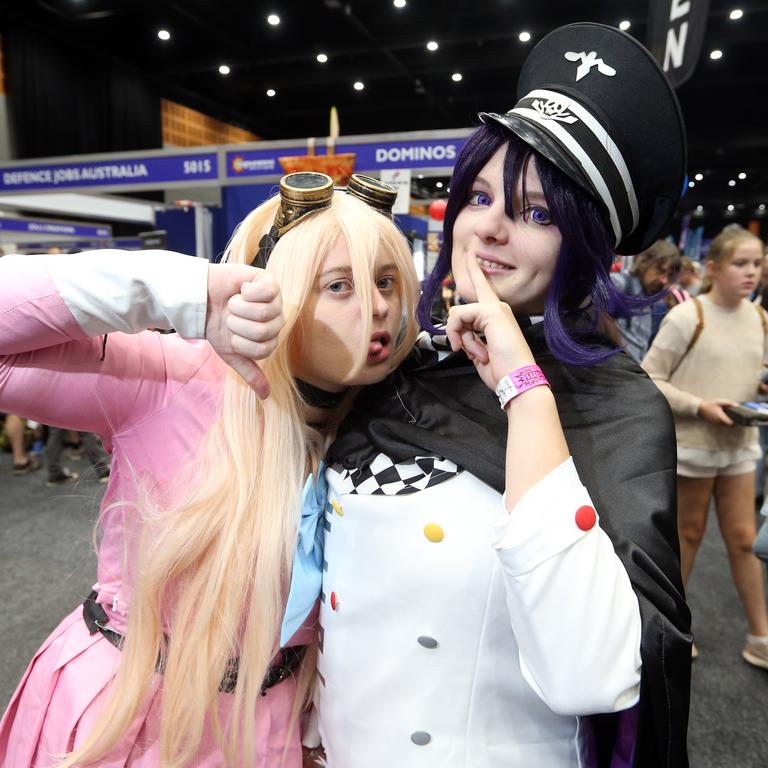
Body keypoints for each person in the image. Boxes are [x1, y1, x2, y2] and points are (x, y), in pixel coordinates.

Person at [318, 23, 690, 768]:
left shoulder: (616, 409)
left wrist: (524, 390)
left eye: (536, 212)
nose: (486, 228)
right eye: (479, 196)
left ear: (582, 246)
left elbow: (592, 672)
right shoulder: (405, 363)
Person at [0, 174, 419, 767]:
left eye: (385, 282)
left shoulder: (395, 420)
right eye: (339, 286)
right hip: (129, 720)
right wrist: (177, 291)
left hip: (277, 727)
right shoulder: (170, 378)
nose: (379, 308)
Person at [642, 226, 768, 669]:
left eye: (756, 263)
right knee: (687, 538)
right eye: (740, 263)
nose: (751, 272)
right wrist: (699, 406)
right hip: (693, 446)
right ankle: (673, 628)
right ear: (713, 267)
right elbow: (650, 377)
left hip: (739, 444)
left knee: (744, 540)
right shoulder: (687, 316)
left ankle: (761, 635)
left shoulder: (761, 318)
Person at [612, 239, 682, 361]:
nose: (664, 280)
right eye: (660, 270)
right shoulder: (620, 285)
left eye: (670, 275)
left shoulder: (651, 302)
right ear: (644, 262)